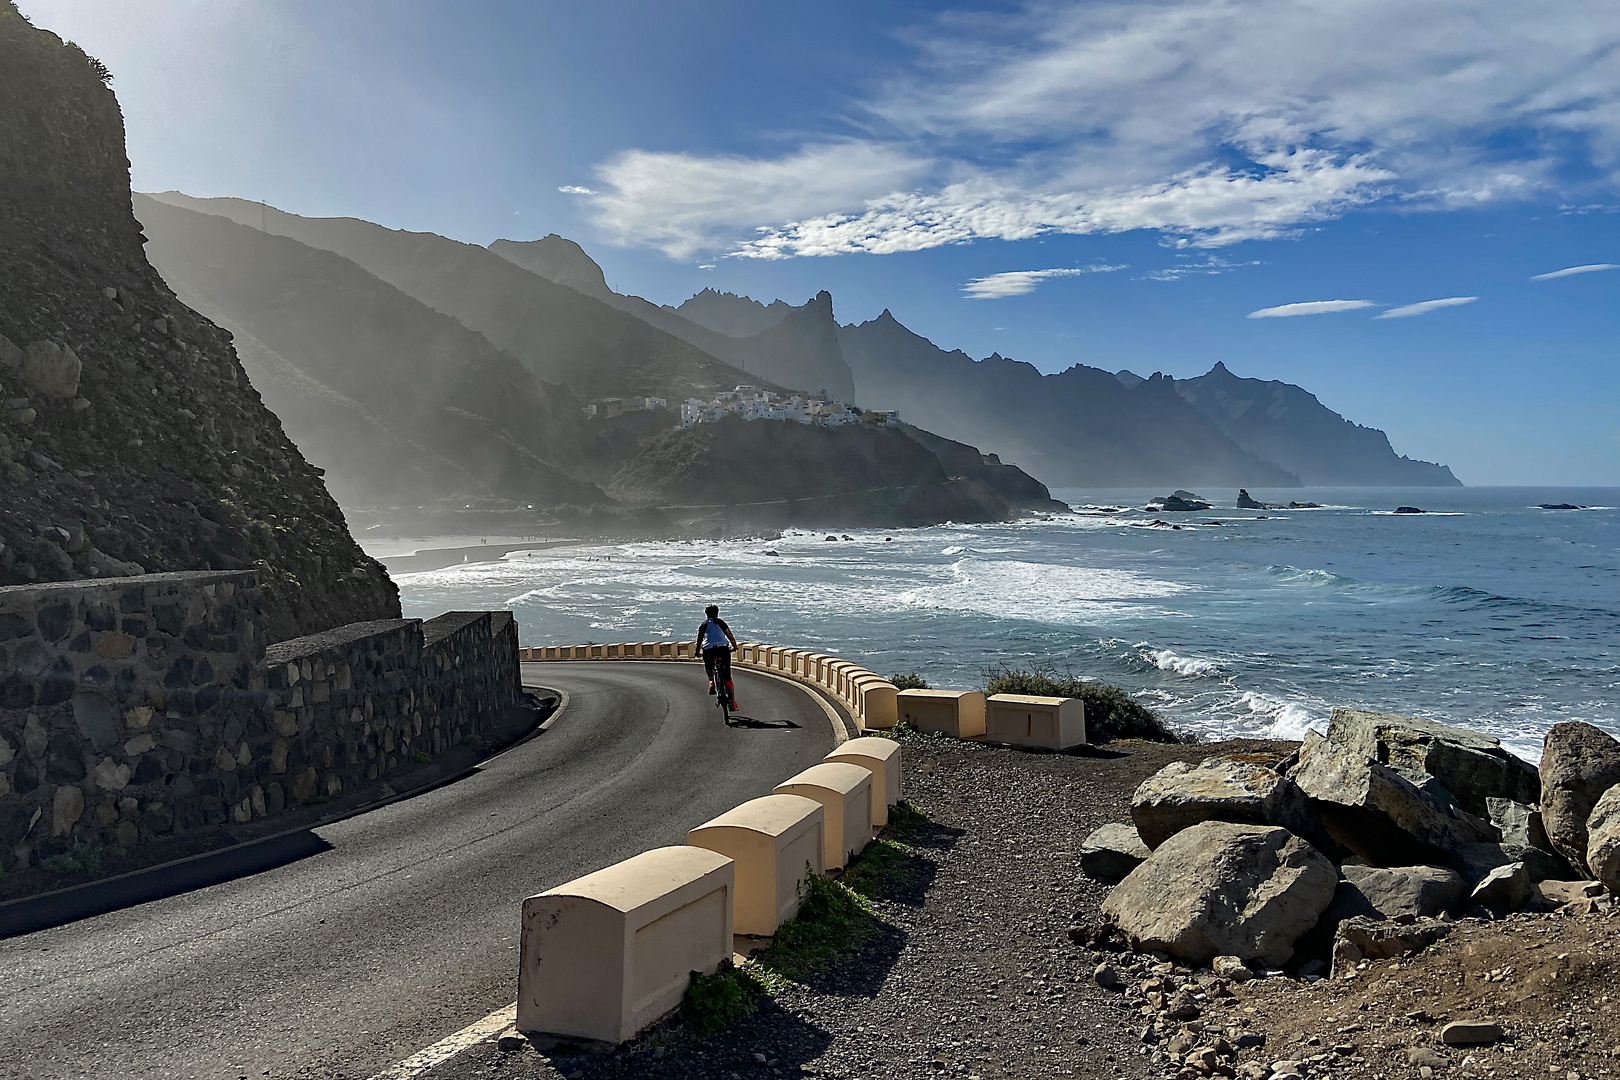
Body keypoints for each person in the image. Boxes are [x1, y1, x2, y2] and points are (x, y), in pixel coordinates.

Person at [695, 604, 739, 709]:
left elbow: (699, 640)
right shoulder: (721, 623)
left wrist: (697, 652)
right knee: (727, 676)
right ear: (717, 612)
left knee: (709, 668)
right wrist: (735, 647)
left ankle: (711, 682)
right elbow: (730, 637)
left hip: (709, 650)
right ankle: (733, 703)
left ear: (706, 614)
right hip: (723, 649)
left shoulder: (704, 625)